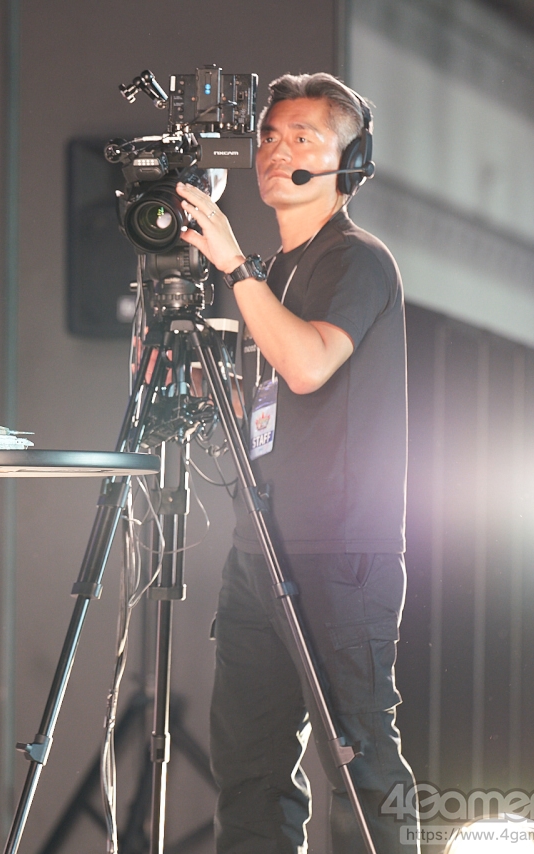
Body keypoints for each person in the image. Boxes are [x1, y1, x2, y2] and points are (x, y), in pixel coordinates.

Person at [175, 73, 419, 853]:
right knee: (249, 775)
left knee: (360, 768)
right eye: (270, 137)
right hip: (259, 549)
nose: (278, 152)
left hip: (340, 555)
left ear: (351, 162)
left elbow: (309, 364)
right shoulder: (274, 273)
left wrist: (233, 267)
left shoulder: (358, 261)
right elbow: (274, 405)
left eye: (303, 138)